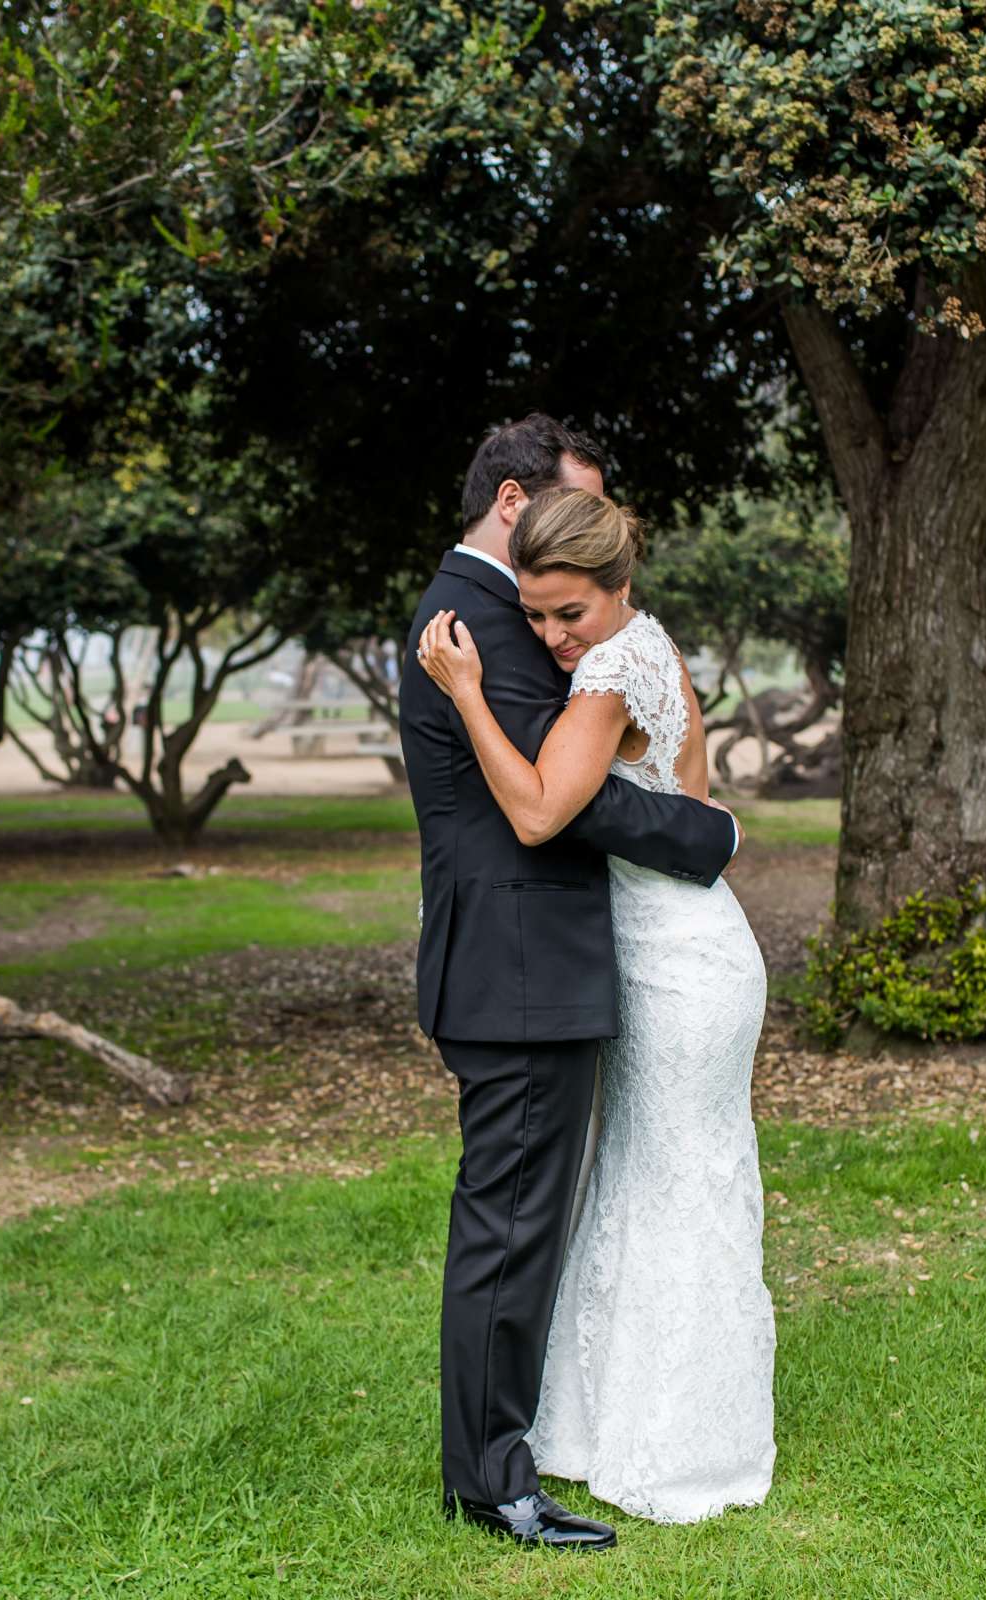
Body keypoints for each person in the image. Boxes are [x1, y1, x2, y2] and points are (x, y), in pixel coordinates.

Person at [398, 418, 746, 1551]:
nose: (568, 539)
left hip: (532, 960)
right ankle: (495, 1478)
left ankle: (513, 1448)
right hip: (520, 966)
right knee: (509, 1224)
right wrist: (708, 833)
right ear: (512, 501)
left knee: (527, 1218)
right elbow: (565, 801)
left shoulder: (513, 617)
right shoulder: (486, 619)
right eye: (560, 506)